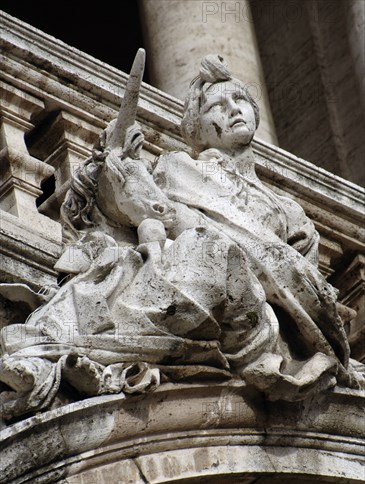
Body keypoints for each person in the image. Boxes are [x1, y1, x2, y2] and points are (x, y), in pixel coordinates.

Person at [0, 55, 362, 419]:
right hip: (206, 283)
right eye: (216, 107)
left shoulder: (290, 211)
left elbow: (309, 289)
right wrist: (110, 162)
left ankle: (81, 351)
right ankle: (66, 351)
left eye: (239, 100)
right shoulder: (177, 168)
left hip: (267, 320)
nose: (232, 110)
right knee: (187, 254)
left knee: (209, 252)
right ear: (196, 129)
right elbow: (123, 209)